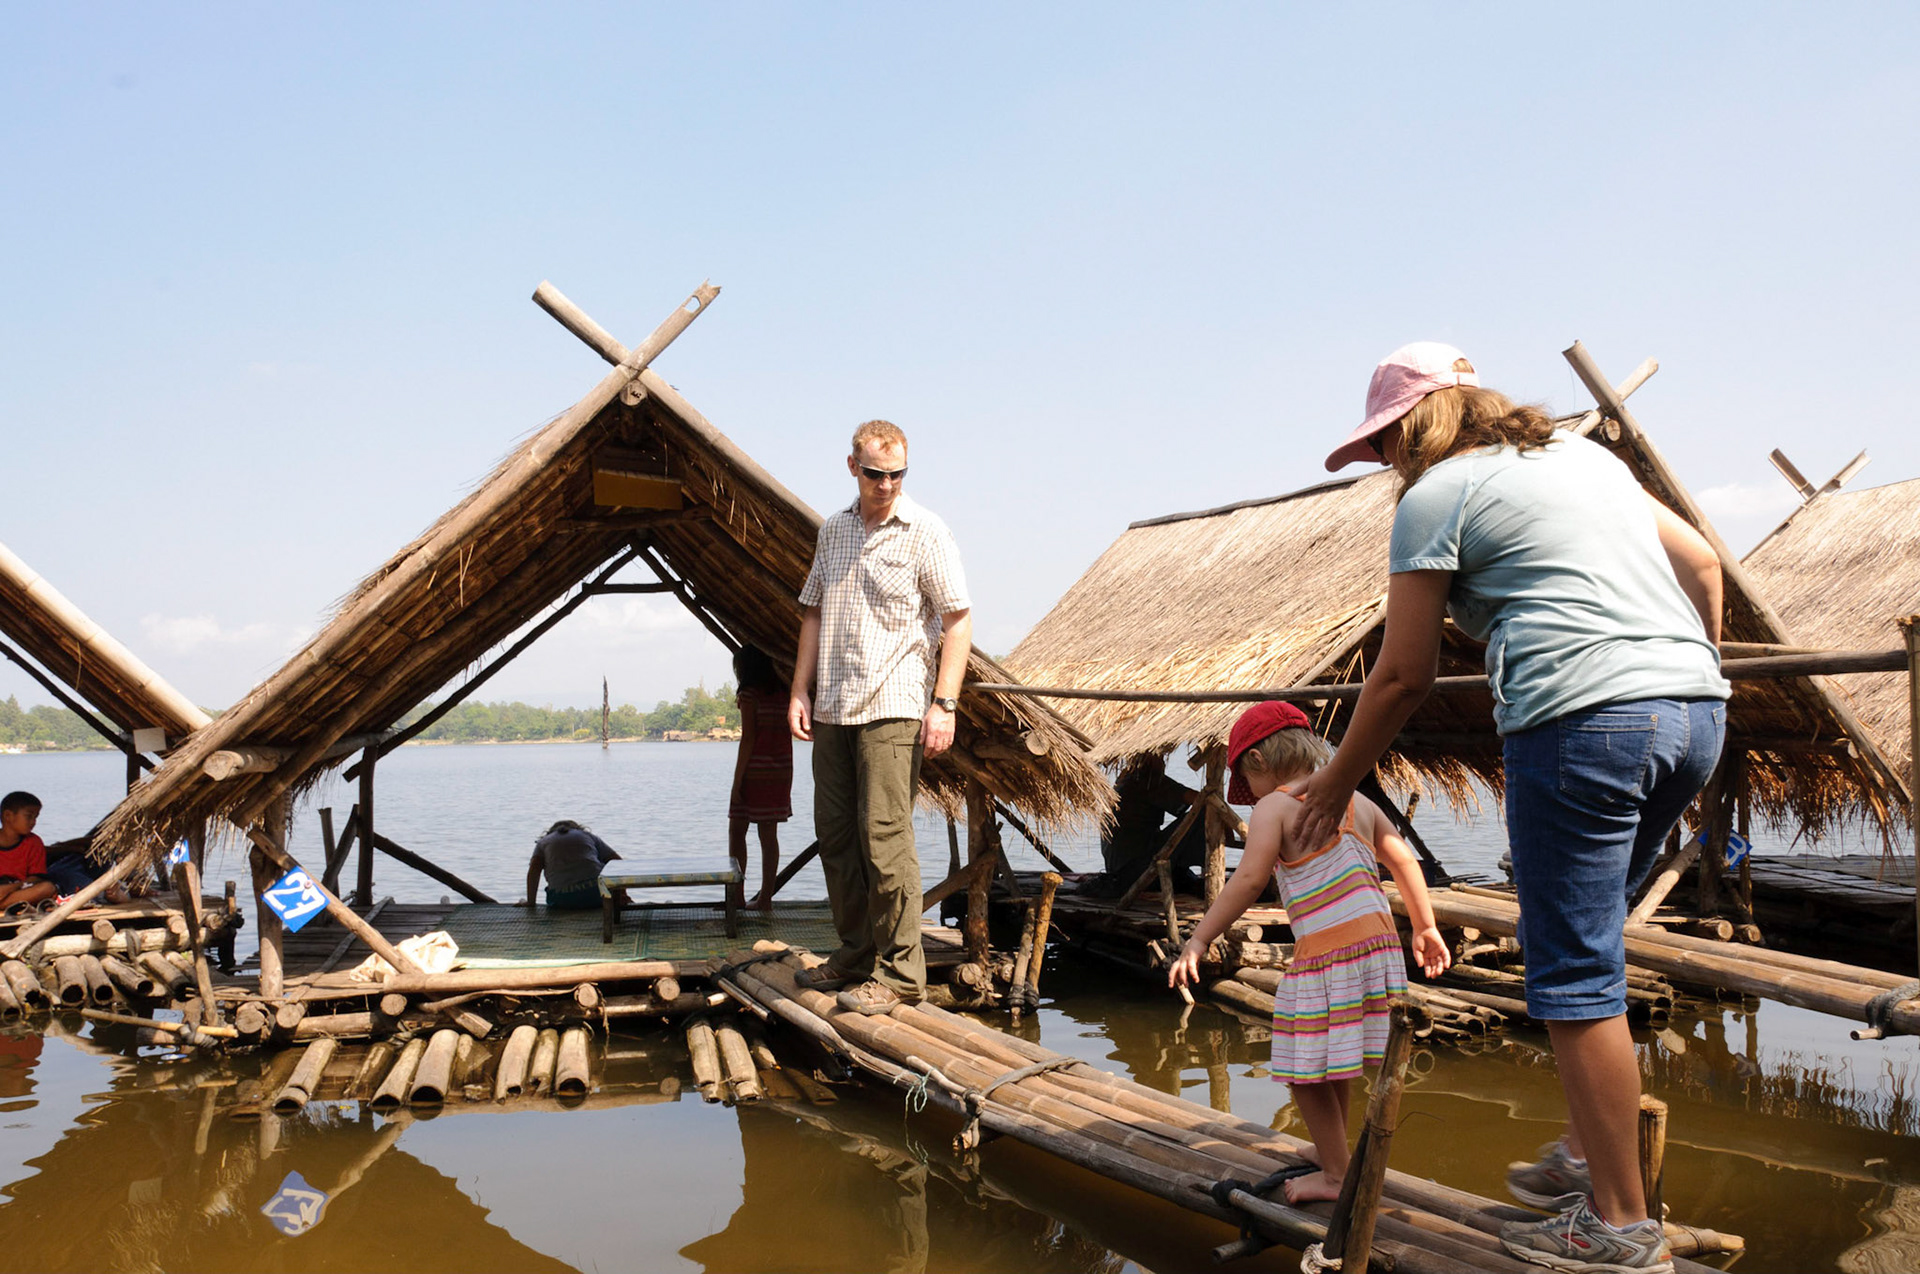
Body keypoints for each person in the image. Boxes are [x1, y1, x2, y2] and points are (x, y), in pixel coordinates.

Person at [1289, 342, 1728, 1273]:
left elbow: (1403, 673)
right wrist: (1687, 674)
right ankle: (1586, 1149)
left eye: (1384, 449)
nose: (1385, 467)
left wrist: (1333, 787)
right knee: (1592, 932)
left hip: (1580, 725)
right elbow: (1703, 566)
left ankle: (1617, 1223)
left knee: (1572, 973)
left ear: (1414, 427)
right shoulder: (1585, 457)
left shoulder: (1434, 497)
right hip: (1695, 715)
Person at [1168, 702, 1449, 1204]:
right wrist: (1425, 926)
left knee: (1301, 1066)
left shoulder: (1272, 807)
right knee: (1330, 1058)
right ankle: (1332, 1152)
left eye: (1245, 780)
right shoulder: (1357, 801)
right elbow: (1404, 858)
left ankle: (1338, 1176)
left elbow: (1251, 878)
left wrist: (1200, 937)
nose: (1248, 793)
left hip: (1330, 947)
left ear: (1256, 762)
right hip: (1379, 941)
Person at [789, 419, 972, 1016]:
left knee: (884, 837)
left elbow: (957, 621)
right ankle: (854, 954)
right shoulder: (834, 530)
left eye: (896, 474)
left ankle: (899, 975)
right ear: (853, 468)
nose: (886, 484)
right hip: (834, 705)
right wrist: (799, 690)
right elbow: (812, 614)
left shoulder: (926, 531)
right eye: (875, 473)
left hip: (894, 704)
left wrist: (944, 703)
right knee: (836, 836)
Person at [729, 644, 793, 910]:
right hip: (781, 770)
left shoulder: (749, 695)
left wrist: (737, 783)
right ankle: (766, 897)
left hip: (755, 770)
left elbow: (749, 739)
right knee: (769, 835)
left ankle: (738, 897)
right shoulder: (784, 693)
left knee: (737, 831)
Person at [1090, 752, 1205, 897]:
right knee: (1203, 815)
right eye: (1160, 758)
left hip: (1118, 869)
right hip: (1136, 870)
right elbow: (1201, 799)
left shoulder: (1126, 779)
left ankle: (1187, 868)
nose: (1163, 763)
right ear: (1148, 759)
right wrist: (1227, 824)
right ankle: (1207, 868)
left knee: (1195, 817)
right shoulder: (1147, 780)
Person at [518, 820, 625, 911]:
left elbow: (534, 870)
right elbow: (617, 862)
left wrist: (531, 902)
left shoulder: (543, 842)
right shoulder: (588, 836)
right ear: (578, 829)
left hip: (562, 901)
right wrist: (622, 895)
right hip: (598, 896)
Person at [0, 792, 56, 914]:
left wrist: (12, 888)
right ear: (8, 815)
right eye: (29, 816)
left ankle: (3, 904)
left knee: (47, 888)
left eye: (36, 817)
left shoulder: (34, 842)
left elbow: (36, 877)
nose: (33, 822)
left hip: (17, 891)